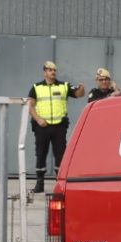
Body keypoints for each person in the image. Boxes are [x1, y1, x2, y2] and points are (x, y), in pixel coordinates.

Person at [28, 60, 84, 193]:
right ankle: (39, 183)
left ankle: (60, 184)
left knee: (60, 155)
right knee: (40, 154)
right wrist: (38, 119)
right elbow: (30, 106)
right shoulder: (36, 87)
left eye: (54, 70)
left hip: (59, 127)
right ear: (45, 72)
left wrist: (81, 88)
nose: (53, 72)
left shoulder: (63, 86)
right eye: (50, 70)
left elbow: (79, 94)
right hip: (42, 126)